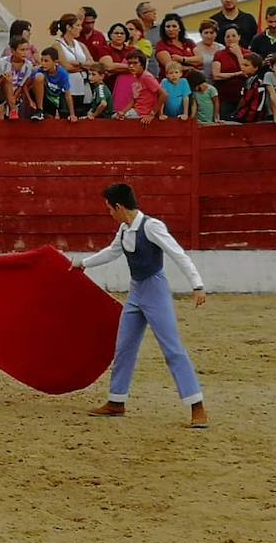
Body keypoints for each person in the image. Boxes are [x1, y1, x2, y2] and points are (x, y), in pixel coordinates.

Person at [74, 182, 208, 429]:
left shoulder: (152, 227)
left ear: (118, 206)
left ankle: (197, 406)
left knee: (172, 348)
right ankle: (117, 401)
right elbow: (111, 252)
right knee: (124, 346)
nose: (109, 214)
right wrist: (84, 263)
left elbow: (178, 254)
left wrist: (197, 284)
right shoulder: (125, 229)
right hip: (136, 292)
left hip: (155, 291)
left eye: (109, 209)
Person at [50, 13, 92, 114]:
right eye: (77, 25)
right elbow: (66, 67)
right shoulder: (58, 45)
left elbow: (92, 63)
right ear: (69, 27)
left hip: (83, 86)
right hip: (68, 88)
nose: (80, 28)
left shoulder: (81, 45)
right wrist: (84, 66)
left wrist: (78, 64)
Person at [211, 26, 247, 121]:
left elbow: (247, 72)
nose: (230, 38)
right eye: (227, 36)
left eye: (233, 36)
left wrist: (238, 54)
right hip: (225, 98)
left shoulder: (248, 53)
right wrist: (236, 74)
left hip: (244, 99)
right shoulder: (219, 54)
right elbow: (216, 75)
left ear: (239, 37)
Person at [2, 36, 43, 119]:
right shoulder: (3, 62)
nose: (25, 53)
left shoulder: (28, 65)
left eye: (27, 50)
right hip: (4, 91)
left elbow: (23, 84)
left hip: (19, 92)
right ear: (13, 51)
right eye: (22, 50)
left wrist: (15, 96)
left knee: (38, 77)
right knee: (7, 79)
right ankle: (12, 109)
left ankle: (39, 110)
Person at [116, 53, 162, 124]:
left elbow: (163, 95)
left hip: (144, 113)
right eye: (129, 63)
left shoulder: (147, 77)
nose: (131, 66)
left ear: (142, 65)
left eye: (135, 63)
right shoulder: (135, 77)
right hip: (137, 110)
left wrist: (152, 114)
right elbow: (134, 99)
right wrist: (123, 111)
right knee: (116, 117)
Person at [37, 47, 75, 122]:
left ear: (55, 62)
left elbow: (68, 95)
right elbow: (26, 85)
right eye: (41, 60)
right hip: (42, 97)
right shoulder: (40, 70)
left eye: (46, 61)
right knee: (38, 76)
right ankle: (39, 110)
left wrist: (72, 114)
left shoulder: (62, 74)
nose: (43, 63)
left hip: (54, 99)